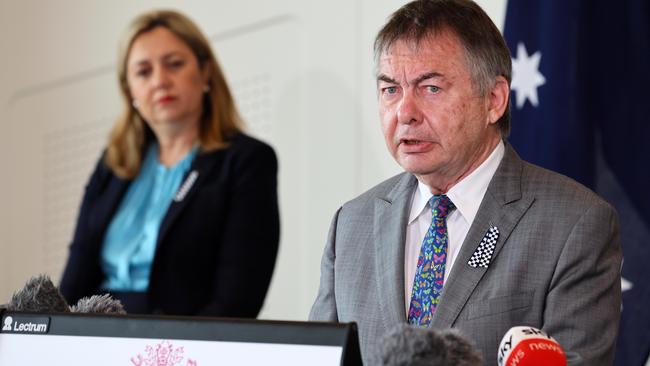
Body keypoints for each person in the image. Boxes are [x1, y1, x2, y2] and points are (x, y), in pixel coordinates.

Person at [309, 1, 621, 365]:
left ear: (493, 100)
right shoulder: (351, 224)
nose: (404, 112)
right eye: (390, 89)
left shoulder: (575, 223)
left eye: (431, 88)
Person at [60, 10, 279, 317]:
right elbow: (73, 281)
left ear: (205, 72)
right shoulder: (113, 164)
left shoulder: (246, 161)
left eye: (174, 64)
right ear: (129, 90)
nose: (160, 81)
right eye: (143, 72)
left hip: (184, 349)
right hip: (97, 340)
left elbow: (238, 300)